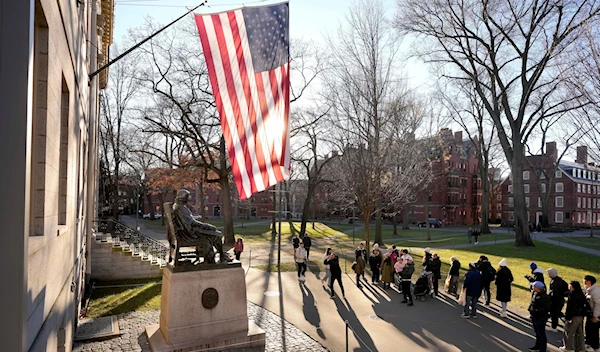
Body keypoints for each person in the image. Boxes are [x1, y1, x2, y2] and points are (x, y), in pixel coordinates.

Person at [172, 189, 232, 262]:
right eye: (187, 197)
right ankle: (220, 256)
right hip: (190, 233)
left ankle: (215, 255)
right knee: (217, 234)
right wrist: (207, 226)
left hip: (186, 231)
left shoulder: (178, 206)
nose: (188, 198)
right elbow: (192, 223)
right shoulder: (181, 208)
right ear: (182, 197)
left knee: (214, 232)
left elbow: (190, 221)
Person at [561, 280, 587, 352]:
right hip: (581, 315)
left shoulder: (572, 294)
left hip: (573, 315)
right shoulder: (581, 293)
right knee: (580, 332)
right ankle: (581, 348)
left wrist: (567, 317)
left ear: (572, 286)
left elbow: (570, 307)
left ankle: (569, 347)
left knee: (569, 331)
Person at [528, 281, 551, 352]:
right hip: (534, 316)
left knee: (541, 333)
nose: (532, 287)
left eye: (534, 286)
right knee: (537, 333)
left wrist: (536, 310)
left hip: (540, 317)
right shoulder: (535, 293)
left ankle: (542, 348)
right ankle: (537, 346)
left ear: (538, 288)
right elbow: (532, 303)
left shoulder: (544, 297)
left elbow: (546, 308)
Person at [547, 268, 569, 332]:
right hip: (560, 300)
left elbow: (554, 293)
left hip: (555, 301)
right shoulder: (560, 280)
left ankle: (554, 327)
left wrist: (549, 298)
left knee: (554, 313)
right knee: (557, 312)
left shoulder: (554, 282)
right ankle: (565, 322)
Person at [584, 275, 600, 352]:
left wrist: (595, 316)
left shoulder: (596, 291)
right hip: (590, 313)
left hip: (595, 314)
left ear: (589, 281)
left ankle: (595, 346)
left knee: (594, 330)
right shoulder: (588, 289)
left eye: (584, 280)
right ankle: (589, 343)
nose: (583, 281)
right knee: (588, 328)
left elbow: (598, 305)